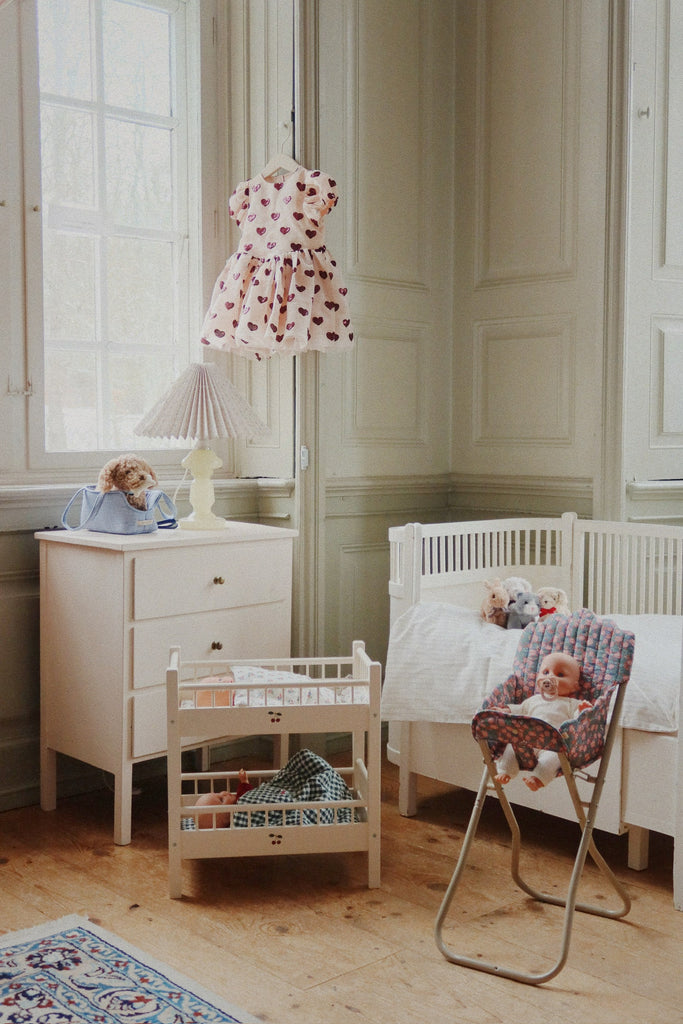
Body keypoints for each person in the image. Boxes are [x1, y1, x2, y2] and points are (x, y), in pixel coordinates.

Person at [494, 652, 592, 791]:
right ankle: (505, 771)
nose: (550, 677)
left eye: (560, 675)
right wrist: (506, 710)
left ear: (574, 686)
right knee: (511, 747)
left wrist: (583, 710)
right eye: (545, 672)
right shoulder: (534, 699)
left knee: (554, 759)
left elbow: (577, 720)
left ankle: (538, 778)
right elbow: (521, 709)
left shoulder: (570, 703)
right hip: (526, 742)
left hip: (553, 745)